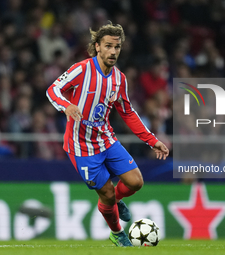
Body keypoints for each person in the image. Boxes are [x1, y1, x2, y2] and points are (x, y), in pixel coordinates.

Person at [46, 21, 169, 247]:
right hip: (81, 147)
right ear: (97, 46)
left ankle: (116, 201)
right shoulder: (81, 69)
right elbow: (52, 89)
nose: (113, 51)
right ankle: (116, 233)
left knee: (135, 182)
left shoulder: (119, 79)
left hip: (106, 139)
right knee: (107, 195)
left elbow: (128, 112)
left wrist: (152, 140)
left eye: (117, 47)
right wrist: (66, 106)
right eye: (109, 46)